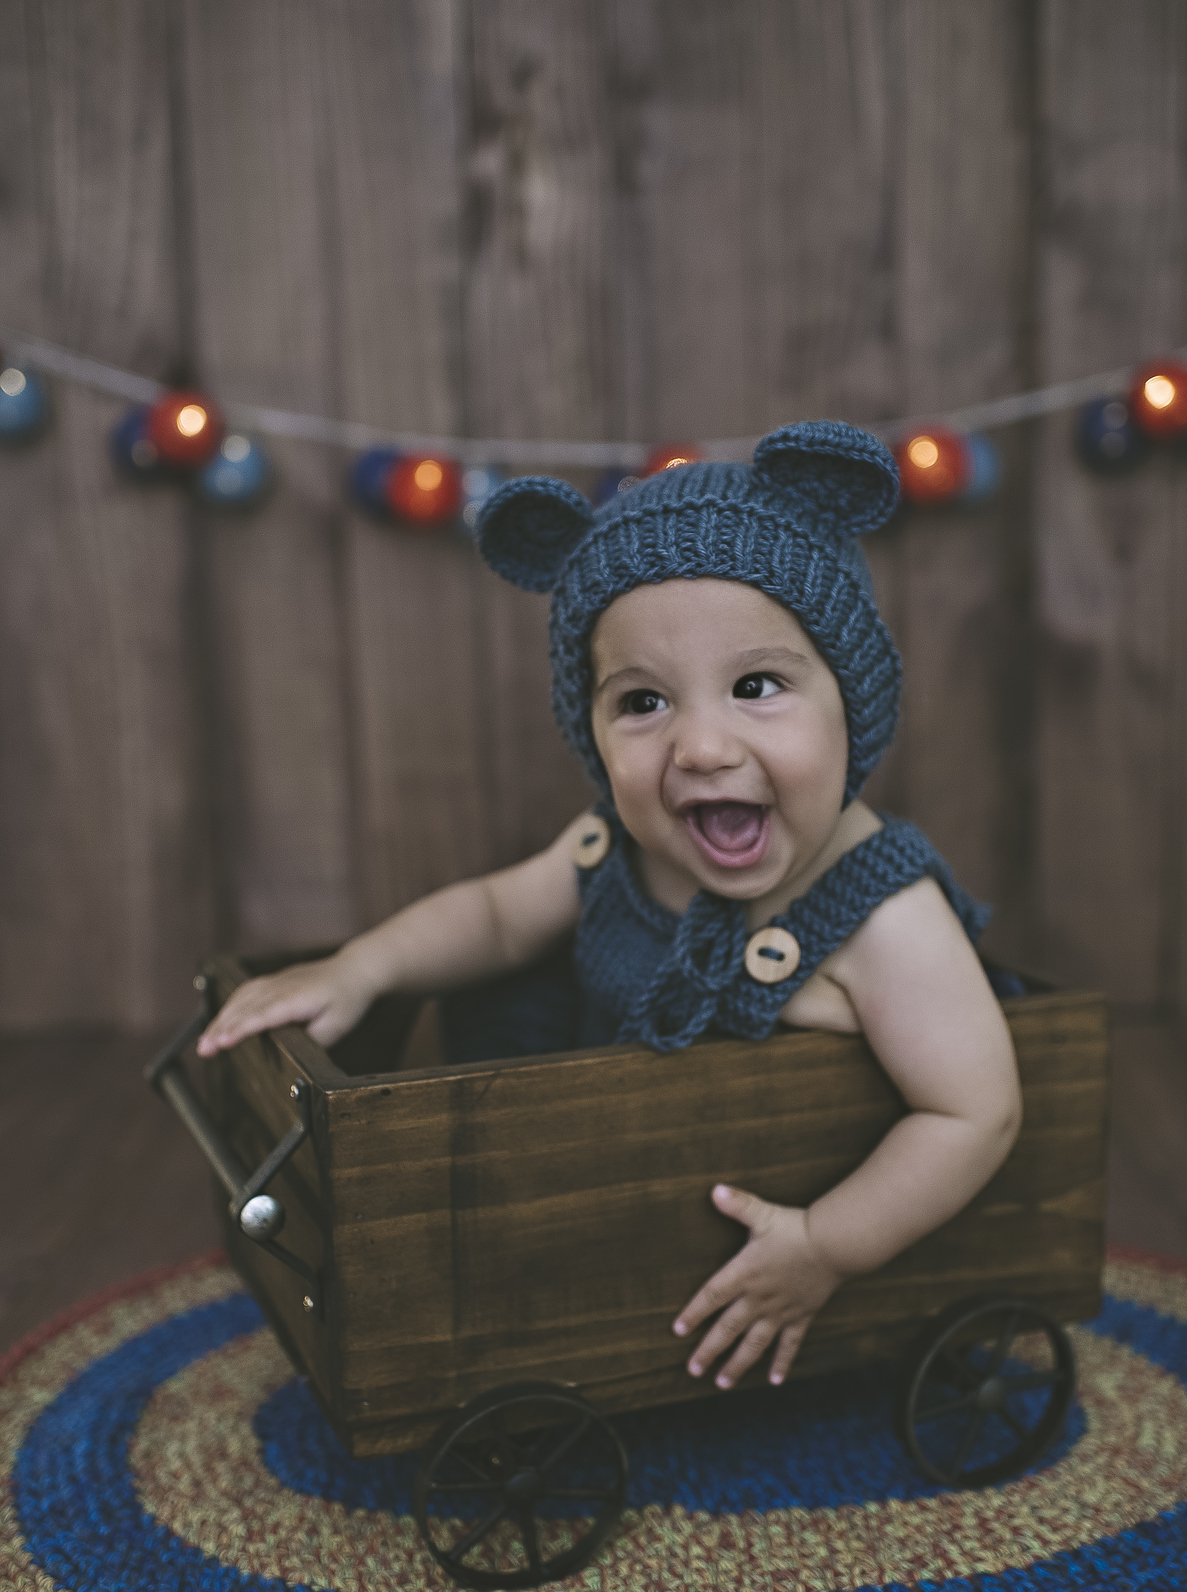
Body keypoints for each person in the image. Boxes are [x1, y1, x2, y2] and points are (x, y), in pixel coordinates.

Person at [198, 421, 1022, 1395]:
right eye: (643, 703)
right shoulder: (616, 849)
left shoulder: (886, 915)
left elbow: (975, 1110)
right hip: (606, 1196)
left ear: (853, 703)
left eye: (756, 686)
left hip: (743, 1214)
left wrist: (826, 1243)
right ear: (590, 728)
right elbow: (499, 919)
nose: (703, 746)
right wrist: (361, 967)